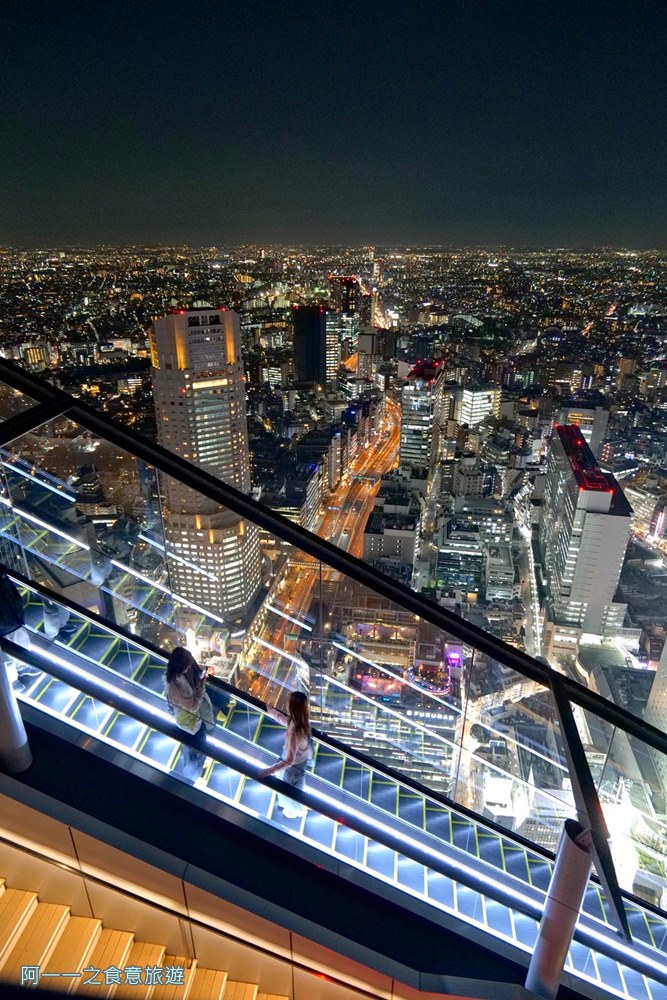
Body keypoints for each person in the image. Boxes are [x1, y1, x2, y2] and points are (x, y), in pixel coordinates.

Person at [164, 646, 229, 781]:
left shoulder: (173, 677)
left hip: (189, 722)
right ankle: (191, 776)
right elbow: (193, 706)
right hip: (190, 723)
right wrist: (201, 685)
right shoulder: (175, 686)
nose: (188, 669)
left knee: (191, 746)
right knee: (197, 746)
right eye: (186, 666)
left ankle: (192, 771)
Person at [259, 691, 312, 818]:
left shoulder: (295, 730)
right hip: (301, 761)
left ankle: (293, 810)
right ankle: (292, 807)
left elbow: (290, 760)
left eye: (288, 703)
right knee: (294, 785)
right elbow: (288, 722)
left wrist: (269, 770)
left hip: (293, 766)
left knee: (289, 789)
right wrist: (272, 712)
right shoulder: (302, 721)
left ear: (292, 707)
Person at [0, 565, 38, 691]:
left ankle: (23, 667)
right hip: (6, 620)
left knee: (21, 641)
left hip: (13, 616)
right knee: (6, 657)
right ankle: (12, 682)